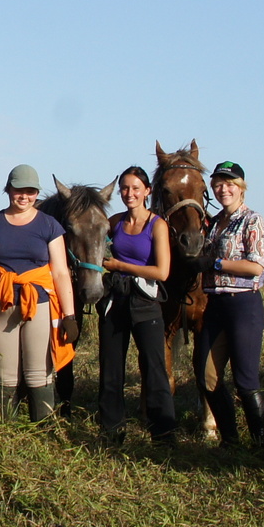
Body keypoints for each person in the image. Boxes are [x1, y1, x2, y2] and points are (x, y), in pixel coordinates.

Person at [0, 165, 78, 422]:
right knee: (5, 373)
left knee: (39, 372)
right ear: (8, 190)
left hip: (39, 304)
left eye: (30, 191)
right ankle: (6, 430)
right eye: (18, 190)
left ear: (36, 193)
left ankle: (44, 428)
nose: (24, 196)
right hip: (1, 306)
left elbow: (60, 273)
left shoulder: (50, 225)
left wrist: (69, 316)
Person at [195, 160, 264, 446]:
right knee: (207, 376)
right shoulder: (214, 223)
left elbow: (256, 267)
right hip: (215, 305)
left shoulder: (252, 220)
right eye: (217, 184)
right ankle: (230, 439)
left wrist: (216, 262)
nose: (222, 189)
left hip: (243, 305)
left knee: (246, 380)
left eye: (229, 184)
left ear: (241, 188)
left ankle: (261, 444)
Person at [98, 165, 174, 444]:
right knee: (110, 367)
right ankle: (111, 430)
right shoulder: (115, 221)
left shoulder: (158, 225)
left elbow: (162, 272)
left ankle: (163, 433)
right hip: (115, 299)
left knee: (154, 368)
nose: (129, 193)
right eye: (125, 189)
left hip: (145, 301)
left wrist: (120, 265)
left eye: (135, 188)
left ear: (147, 192)